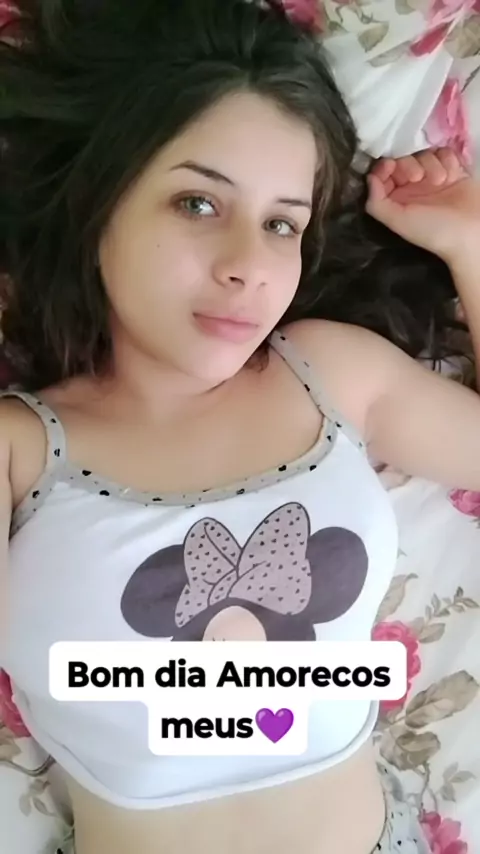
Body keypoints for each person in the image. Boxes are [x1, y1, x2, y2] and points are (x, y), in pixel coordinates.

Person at [0, 2, 479, 853]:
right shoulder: (20, 448)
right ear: (99, 201)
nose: (248, 266)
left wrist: (469, 247)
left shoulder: (328, 373)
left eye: (281, 223)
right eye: (197, 203)